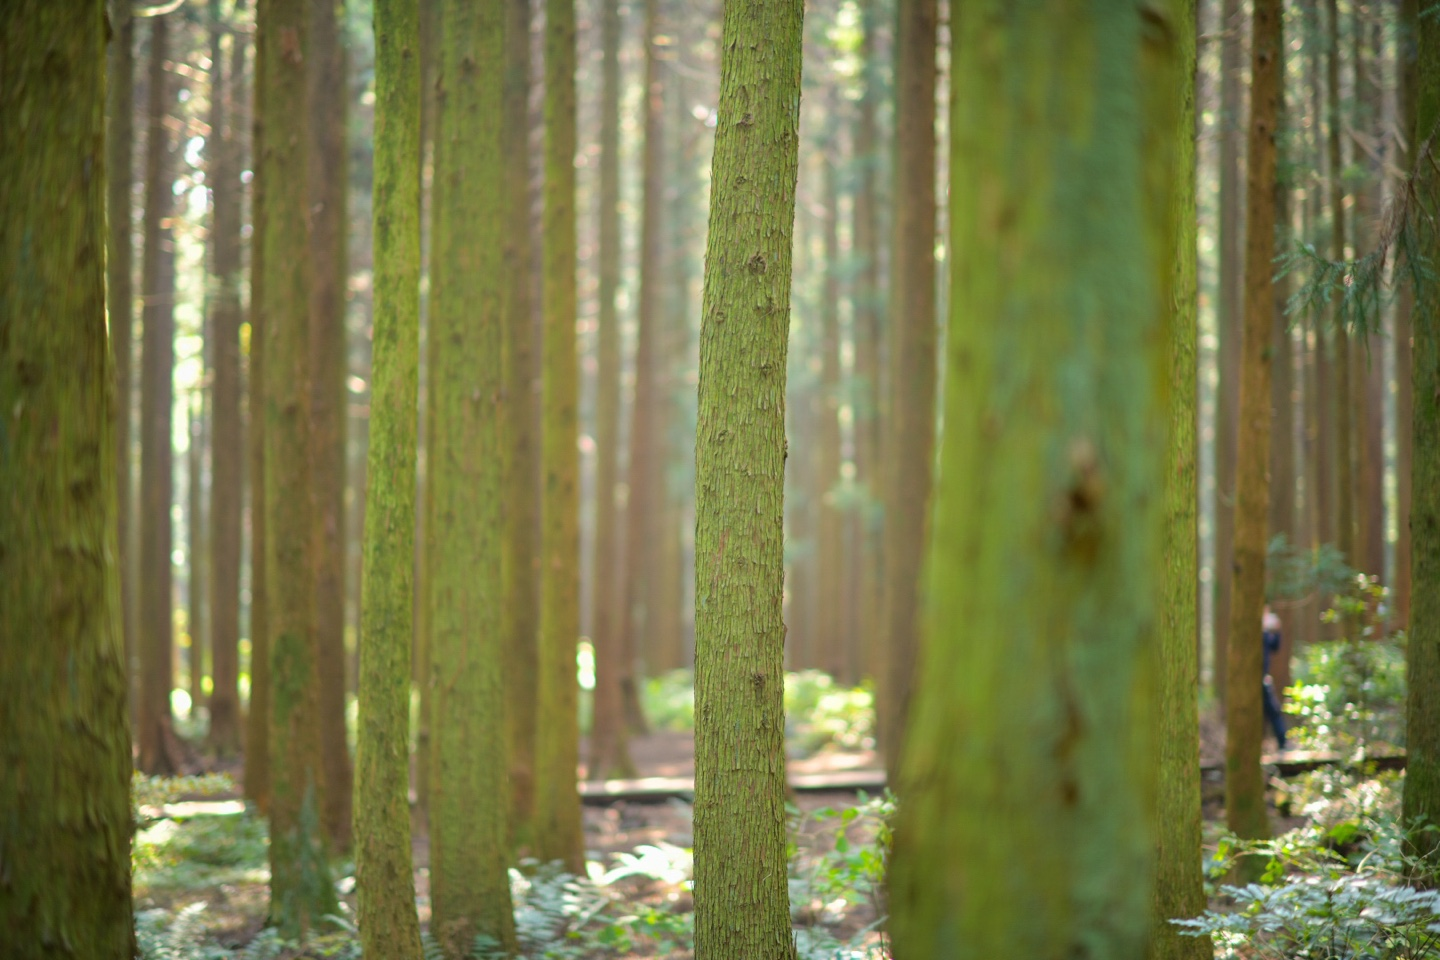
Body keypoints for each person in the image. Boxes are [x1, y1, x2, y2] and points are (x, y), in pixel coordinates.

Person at [1262, 606, 1287, 751]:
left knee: (1272, 710)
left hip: (1264, 678)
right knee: (1272, 710)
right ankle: (1282, 741)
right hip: (1259, 680)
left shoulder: (1264, 633)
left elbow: (1275, 646)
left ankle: (1282, 742)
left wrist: (1277, 631)